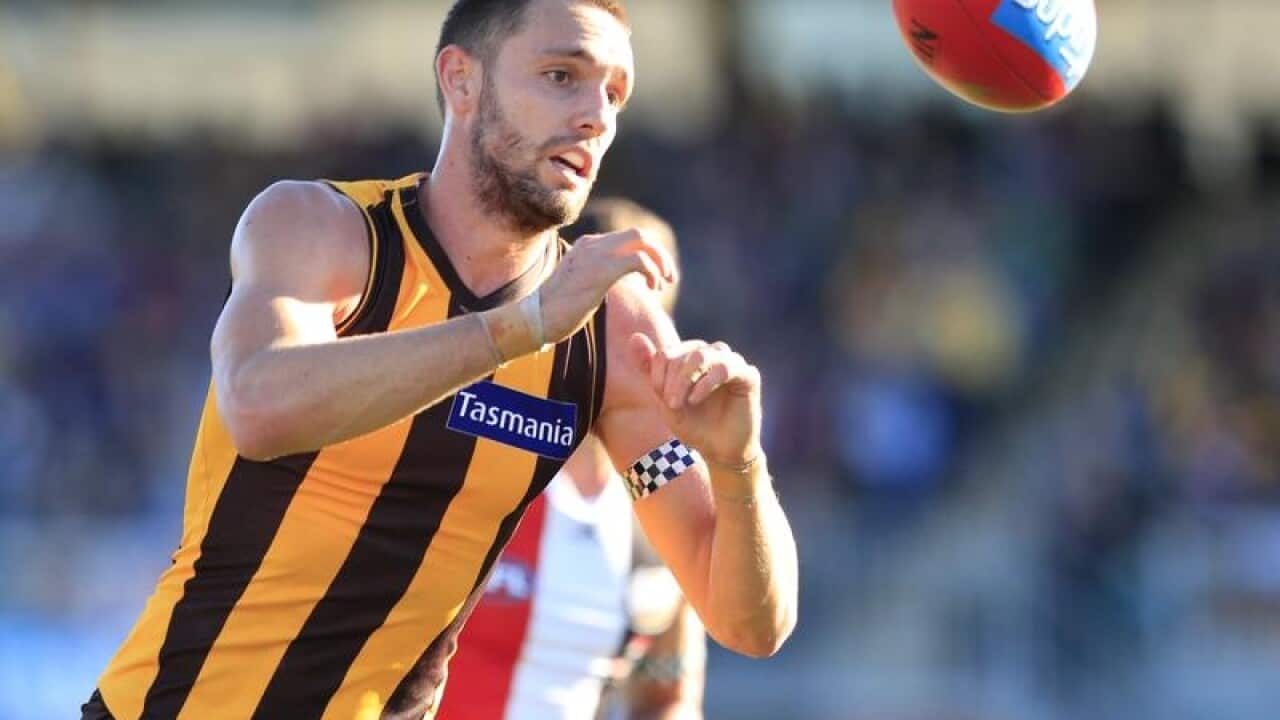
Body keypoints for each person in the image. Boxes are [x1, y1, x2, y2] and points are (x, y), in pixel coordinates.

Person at [84, 1, 797, 718]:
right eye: (561, 75)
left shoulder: (610, 331)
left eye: (614, 93)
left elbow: (749, 624)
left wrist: (740, 466)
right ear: (460, 81)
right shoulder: (323, 231)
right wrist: (520, 328)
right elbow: (259, 407)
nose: (595, 116)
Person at [439, 198, 705, 720]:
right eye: (609, 308)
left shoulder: (660, 509)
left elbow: (665, 696)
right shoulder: (469, 458)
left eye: (651, 312)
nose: (631, 336)